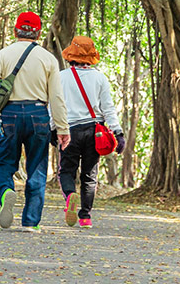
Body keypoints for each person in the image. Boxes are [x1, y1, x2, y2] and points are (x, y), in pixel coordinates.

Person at [0, 11, 70, 231]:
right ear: (39, 33)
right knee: (37, 167)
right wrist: (62, 128)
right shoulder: (48, 58)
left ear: (15, 30)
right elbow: (57, 97)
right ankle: (31, 221)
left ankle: (5, 192)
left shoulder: (5, 54)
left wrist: (3, 91)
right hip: (38, 113)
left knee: (3, 161)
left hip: (10, 113)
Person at [58, 35, 123, 228]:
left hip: (69, 130)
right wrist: (118, 132)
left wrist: (55, 129)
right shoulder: (100, 77)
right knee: (90, 175)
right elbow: (108, 108)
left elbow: (55, 106)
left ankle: (70, 196)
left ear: (72, 55)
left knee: (66, 170)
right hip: (94, 132)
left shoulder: (61, 77)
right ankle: (85, 216)